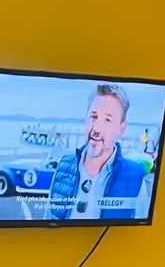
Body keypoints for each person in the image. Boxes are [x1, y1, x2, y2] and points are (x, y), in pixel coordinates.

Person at [48, 84, 150, 221]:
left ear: (121, 129)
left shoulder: (135, 179)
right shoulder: (63, 167)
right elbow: (48, 220)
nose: (96, 129)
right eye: (93, 117)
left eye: (107, 120)